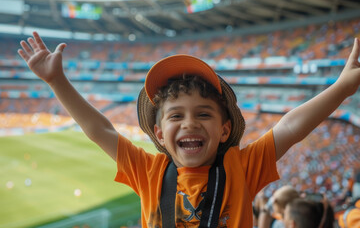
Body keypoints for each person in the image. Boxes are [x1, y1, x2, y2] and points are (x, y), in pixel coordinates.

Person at [17, 32, 360, 227]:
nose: (190, 123)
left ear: (226, 130)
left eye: (204, 114)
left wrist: (342, 88)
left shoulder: (241, 168)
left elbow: (289, 126)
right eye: (176, 116)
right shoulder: (147, 171)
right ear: (159, 133)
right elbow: (99, 129)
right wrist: (57, 81)